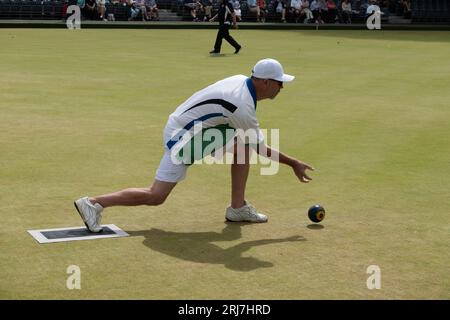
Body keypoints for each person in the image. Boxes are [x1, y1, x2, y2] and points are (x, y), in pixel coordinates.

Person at [74, 58, 315, 232]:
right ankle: (94, 203)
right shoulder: (241, 105)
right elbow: (261, 147)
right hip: (183, 136)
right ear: (264, 82)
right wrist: (293, 163)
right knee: (156, 196)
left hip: (195, 128)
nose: (281, 87)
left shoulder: (242, 81)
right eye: (278, 83)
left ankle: (237, 208)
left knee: (243, 147)